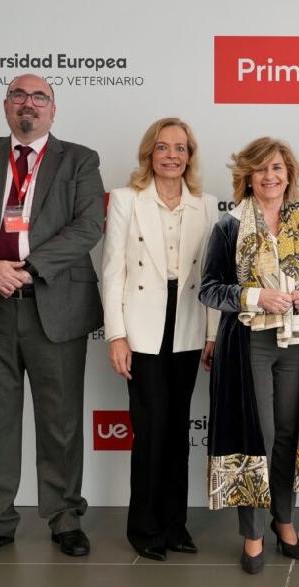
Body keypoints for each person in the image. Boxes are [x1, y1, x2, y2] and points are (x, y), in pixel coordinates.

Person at [0, 74, 104, 562]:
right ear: (5, 105)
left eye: (39, 97)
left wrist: (28, 269)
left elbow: (89, 225)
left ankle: (65, 517)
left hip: (53, 305)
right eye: (18, 95)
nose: (28, 104)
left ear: (54, 109)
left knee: (61, 421)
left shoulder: (80, 159)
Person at [200, 137, 299, 574]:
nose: (270, 176)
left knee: (289, 433)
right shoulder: (229, 225)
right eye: (261, 170)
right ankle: (252, 533)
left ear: (288, 174)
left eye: (277, 168)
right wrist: (256, 295)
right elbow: (210, 288)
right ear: (248, 177)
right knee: (257, 435)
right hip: (248, 343)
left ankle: (284, 519)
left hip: (298, 344)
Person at [101, 117, 219, 561]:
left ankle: (175, 525)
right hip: (142, 326)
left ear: (190, 155)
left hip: (188, 322)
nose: (172, 155)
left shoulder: (205, 205)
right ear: (149, 153)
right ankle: (144, 527)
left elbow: (210, 277)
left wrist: (212, 334)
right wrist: (116, 334)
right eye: (163, 147)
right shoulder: (127, 200)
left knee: (177, 429)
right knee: (150, 429)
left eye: (181, 148)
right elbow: (113, 273)